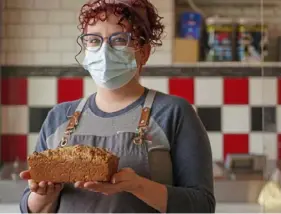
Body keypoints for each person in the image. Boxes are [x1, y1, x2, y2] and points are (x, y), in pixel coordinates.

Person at [19, 0, 215, 212]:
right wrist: (43, 195)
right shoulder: (59, 116)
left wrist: (138, 186)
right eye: (94, 40)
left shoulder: (174, 113)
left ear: (144, 52)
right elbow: (31, 208)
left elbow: (202, 205)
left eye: (119, 39)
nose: (104, 51)